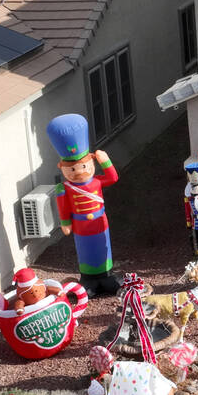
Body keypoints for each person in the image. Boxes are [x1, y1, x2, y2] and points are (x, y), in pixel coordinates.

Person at [46, 113, 119, 296]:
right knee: (85, 251)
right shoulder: (64, 188)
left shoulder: (96, 182)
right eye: (72, 169)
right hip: (80, 225)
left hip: (100, 221)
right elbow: (63, 206)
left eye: (84, 166)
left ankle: (107, 276)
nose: (79, 172)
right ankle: (88, 279)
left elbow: (113, 178)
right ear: (62, 168)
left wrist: (106, 160)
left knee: (104, 247)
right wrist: (65, 223)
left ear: (92, 163)